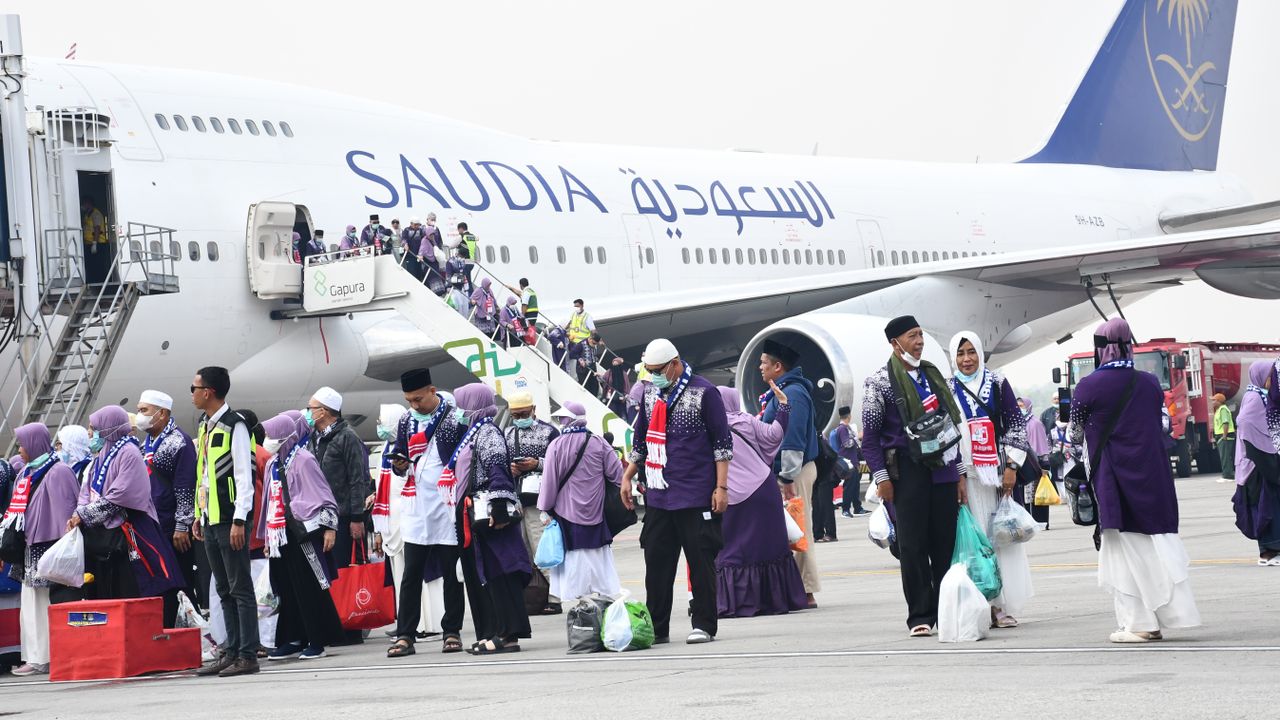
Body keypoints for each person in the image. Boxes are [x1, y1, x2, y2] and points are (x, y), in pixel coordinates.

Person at [1068, 318, 1200, 643]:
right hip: (1152, 474)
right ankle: (1150, 618)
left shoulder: (1087, 386)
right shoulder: (1150, 382)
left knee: (1124, 550)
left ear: (1100, 347)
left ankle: (1141, 623)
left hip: (1113, 478)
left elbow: (1074, 434)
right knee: (1150, 544)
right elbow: (1165, 426)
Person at [862, 316, 967, 637]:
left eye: (921, 334)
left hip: (944, 472)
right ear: (895, 343)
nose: (920, 341)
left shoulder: (933, 376)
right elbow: (870, 438)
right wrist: (881, 479)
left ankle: (944, 609)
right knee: (912, 546)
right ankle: (920, 615)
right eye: (912, 336)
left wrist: (960, 474)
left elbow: (951, 430)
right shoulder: (879, 382)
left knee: (944, 544)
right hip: (906, 474)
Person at [623, 338, 732, 644]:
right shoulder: (650, 393)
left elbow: (721, 445)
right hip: (659, 493)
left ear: (674, 364)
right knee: (656, 563)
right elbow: (641, 440)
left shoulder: (704, 392)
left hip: (696, 492)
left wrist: (721, 487)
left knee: (700, 562)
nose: (654, 375)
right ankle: (658, 628)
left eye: (658, 370)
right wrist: (627, 476)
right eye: (649, 370)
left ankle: (704, 623)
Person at [948, 332, 1035, 629]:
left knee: (1000, 539)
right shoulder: (948, 388)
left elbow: (1015, 425)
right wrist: (957, 474)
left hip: (997, 475)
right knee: (974, 541)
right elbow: (947, 434)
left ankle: (1002, 605)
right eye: (960, 354)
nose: (967, 359)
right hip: (968, 477)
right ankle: (979, 604)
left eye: (972, 352)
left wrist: (1011, 466)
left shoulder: (997, 382)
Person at [386, 369, 472, 658]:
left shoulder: (453, 417)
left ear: (433, 391)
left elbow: (463, 455)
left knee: (451, 573)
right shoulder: (406, 421)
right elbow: (399, 452)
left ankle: (452, 631)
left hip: (445, 505)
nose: (414, 405)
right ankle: (405, 635)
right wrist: (399, 463)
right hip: (416, 506)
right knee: (411, 574)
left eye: (419, 399)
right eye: (409, 400)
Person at [447, 384, 533, 655]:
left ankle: (507, 636)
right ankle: (498, 632)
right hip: (479, 511)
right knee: (491, 575)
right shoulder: (475, 432)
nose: (459, 412)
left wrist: (498, 507)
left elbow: (497, 468)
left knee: (501, 573)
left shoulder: (488, 432)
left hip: (491, 513)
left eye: (463, 405)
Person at [71, 406, 184, 599]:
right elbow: (86, 493)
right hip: (105, 538)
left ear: (109, 428)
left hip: (132, 535)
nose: (90, 433)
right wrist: (78, 512)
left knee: (135, 592)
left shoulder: (129, 452)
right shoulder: (100, 458)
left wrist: (83, 515)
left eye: (94, 428)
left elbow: (121, 495)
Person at [191, 366, 261, 677]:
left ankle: (248, 654)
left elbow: (245, 477)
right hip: (209, 518)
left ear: (208, 392)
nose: (192, 394)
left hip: (229, 520)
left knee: (240, 588)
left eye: (194, 388)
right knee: (223, 590)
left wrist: (240, 520)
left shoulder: (236, 425)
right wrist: (198, 513)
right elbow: (203, 475)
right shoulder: (205, 425)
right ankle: (231, 650)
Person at [714, 385, 808, 617]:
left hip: (729, 495)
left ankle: (737, 602)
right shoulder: (746, 420)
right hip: (763, 490)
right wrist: (783, 406)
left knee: (732, 550)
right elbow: (775, 434)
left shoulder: (710, 427)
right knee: (768, 549)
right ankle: (775, 601)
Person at [257, 413, 344, 661]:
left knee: (307, 586)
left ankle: (316, 639)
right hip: (280, 534)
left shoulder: (303, 459)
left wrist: (330, 528)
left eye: (273, 435)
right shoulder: (276, 462)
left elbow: (323, 494)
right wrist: (267, 536)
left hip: (302, 532)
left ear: (287, 435)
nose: (269, 440)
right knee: (285, 586)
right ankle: (293, 637)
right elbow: (269, 501)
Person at [5, 424, 82, 677]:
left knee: (43, 604)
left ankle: (45, 657)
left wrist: (62, 545)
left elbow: (65, 511)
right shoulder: (27, 471)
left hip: (48, 547)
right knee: (30, 604)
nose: (19, 449)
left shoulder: (58, 471)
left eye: (22, 444)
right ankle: (34, 656)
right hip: (28, 547)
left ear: (35, 443)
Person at [757, 340, 822, 607]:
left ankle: (806, 590)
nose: (760, 367)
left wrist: (786, 477)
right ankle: (795, 588)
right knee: (791, 529)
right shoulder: (781, 391)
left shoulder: (792, 393)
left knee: (799, 529)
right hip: (788, 470)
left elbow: (793, 437)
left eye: (763, 363)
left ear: (778, 366)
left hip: (795, 471)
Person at [537, 401, 623, 602]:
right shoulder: (598, 442)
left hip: (567, 514)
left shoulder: (556, 445)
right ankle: (604, 598)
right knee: (599, 556)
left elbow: (549, 481)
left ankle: (583, 603)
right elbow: (617, 474)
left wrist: (544, 508)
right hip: (596, 513)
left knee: (575, 559)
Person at [371, 403, 437, 640]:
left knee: (419, 572)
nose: (379, 425)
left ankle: (430, 624)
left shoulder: (411, 444)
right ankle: (408, 621)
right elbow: (383, 486)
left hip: (409, 515)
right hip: (391, 519)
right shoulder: (386, 449)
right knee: (402, 575)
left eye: (382, 420)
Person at [137, 390, 199, 627]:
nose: (140, 415)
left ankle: (193, 633)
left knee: (181, 581)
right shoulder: (149, 442)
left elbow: (185, 485)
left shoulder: (178, 441)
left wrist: (182, 525)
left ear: (161, 414)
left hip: (173, 526)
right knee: (162, 581)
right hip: (154, 522)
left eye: (144, 410)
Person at [504, 391, 560, 614]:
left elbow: (559, 463)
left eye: (523, 414)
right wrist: (511, 468)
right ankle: (533, 596)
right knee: (523, 551)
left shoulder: (549, 432)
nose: (519, 419)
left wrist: (536, 464)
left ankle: (555, 598)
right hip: (516, 499)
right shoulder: (507, 433)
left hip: (540, 501)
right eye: (515, 415)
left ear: (534, 409)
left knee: (543, 549)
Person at [305, 387, 370, 576]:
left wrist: (357, 518)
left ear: (323, 411)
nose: (308, 412)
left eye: (311, 408)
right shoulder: (314, 437)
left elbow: (358, 479)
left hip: (343, 518)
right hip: (318, 516)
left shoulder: (347, 437)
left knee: (341, 572)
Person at [1230, 361, 1280, 565]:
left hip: (1262, 459)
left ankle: (1272, 550)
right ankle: (1269, 552)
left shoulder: (1260, 395)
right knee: (1266, 508)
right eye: (1271, 376)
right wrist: (1264, 454)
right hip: (1256, 464)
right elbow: (1246, 423)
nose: (1273, 380)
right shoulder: (1254, 399)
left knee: (1270, 506)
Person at [1020, 397, 1054, 528]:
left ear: (1028, 406)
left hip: (1037, 463)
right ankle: (1031, 522)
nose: (1019, 408)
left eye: (1022, 405)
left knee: (1038, 494)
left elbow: (1042, 445)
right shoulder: (1021, 422)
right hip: (1025, 462)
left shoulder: (1035, 424)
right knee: (1028, 495)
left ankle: (1041, 521)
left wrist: (1044, 464)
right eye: (1017, 406)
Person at [835, 408, 868, 517]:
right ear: (849, 416)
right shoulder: (843, 429)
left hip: (854, 461)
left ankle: (857, 507)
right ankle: (846, 509)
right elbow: (847, 444)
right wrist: (857, 437)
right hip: (849, 463)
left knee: (855, 486)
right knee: (849, 487)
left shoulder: (845, 428)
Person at [81, 197, 111, 284]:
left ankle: (101, 282)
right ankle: (92, 281)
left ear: (89, 204)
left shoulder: (95, 214)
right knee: (91, 265)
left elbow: (97, 229)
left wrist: (95, 243)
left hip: (98, 244)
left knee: (98, 265)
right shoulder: (87, 215)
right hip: (88, 243)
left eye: (84, 204)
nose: (83, 206)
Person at [1213, 393, 1236, 483]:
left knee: (1225, 457)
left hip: (1225, 436)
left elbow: (1225, 423)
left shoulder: (1223, 410)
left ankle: (1228, 475)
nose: (1213, 402)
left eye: (1214, 400)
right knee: (1224, 456)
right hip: (1222, 436)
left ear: (1219, 401)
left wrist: (1224, 436)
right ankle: (1226, 474)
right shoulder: (1219, 410)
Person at [457, 222, 478, 287]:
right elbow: (470, 247)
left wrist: (458, 253)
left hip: (466, 262)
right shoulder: (472, 236)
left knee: (461, 280)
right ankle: (470, 294)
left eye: (458, 230)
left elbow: (464, 249)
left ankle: (466, 293)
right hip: (471, 262)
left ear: (461, 229)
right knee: (468, 280)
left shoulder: (463, 236)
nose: (458, 232)